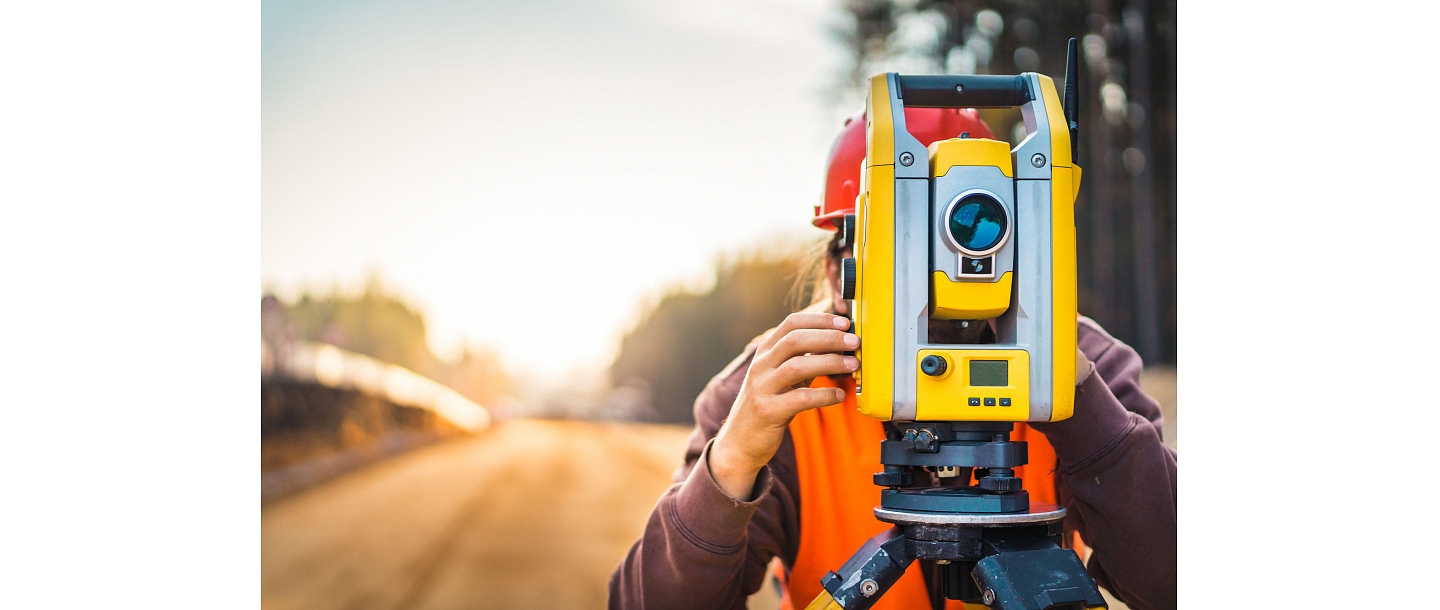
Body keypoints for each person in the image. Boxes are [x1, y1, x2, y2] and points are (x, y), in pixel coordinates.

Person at [609, 108, 1177, 610]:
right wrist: (729, 466)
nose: (936, 278)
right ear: (840, 271)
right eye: (905, 246)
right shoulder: (771, 394)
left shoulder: (1079, 369)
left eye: (963, 235)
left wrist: (1085, 411)